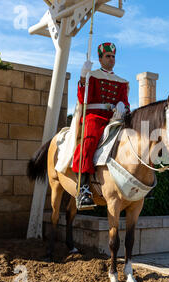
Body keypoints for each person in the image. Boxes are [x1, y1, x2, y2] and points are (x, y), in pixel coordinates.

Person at [73, 42, 130, 207]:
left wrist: (123, 108)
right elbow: (84, 98)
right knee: (89, 142)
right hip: (95, 117)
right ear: (100, 58)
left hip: (114, 117)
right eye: (108, 56)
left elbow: (125, 102)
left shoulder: (121, 81)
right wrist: (83, 78)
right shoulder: (92, 76)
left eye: (113, 56)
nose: (111, 59)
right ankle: (83, 189)